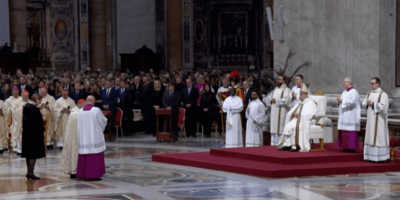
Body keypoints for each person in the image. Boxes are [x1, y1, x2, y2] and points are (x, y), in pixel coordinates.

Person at [277, 84, 317, 152]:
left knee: (294, 127)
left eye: (301, 95)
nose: (300, 96)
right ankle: (287, 144)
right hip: (296, 119)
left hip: (304, 120)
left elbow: (309, 113)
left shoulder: (310, 103)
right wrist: (292, 114)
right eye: (300, 94)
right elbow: (292, 111)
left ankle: (295, 146)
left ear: (306, 95)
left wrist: (299, 115)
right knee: (288, 126)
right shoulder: (300, 102)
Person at [77, 96, 107, 180]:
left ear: (86, 101)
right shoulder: (96, 110)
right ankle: (93, 175)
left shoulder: (80, 111)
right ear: (93, 102)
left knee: (84, 154)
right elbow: (103, 122)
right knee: (94, 154)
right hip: (94, 137)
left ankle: (83, 174)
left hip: (83, 138)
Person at [362, 77, 389, 162]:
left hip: (379, 120)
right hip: (370, 119)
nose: (371, 85)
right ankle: (370, 157)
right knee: (370, 135)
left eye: (373, 83)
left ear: (377, 84)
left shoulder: (383, 94)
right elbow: (363, 102)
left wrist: (373, 104)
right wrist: (367, 103)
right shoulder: (369, 93)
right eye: (370, 83)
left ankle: (380, 157)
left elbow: (384, 107)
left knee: (378, 137)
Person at [60, 99, 86, 178]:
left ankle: (73, 170)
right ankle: (74, 170)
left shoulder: (74, 112)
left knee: (73, 153)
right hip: (76, 137)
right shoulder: (77, 113)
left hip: (72, 137)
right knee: (75, 153)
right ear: (81, 105)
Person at [22, 94, 45, 180]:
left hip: (27, 134)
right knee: (33, 154)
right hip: (34, 134)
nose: (39, 102)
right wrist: (42, 119)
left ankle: (29, 172)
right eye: (39, 100)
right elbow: (38, 121)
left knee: (28, 154)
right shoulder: (34, 109)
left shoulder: (27, 107)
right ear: (36, 99)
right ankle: (31, 173)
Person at [337, 77, 361, 152]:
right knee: (344, 130)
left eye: (345, 82)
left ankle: (351, 148)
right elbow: (343, 101)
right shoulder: (344, 91)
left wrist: (342, 100)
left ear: (349, 83)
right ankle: (345, 147)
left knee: (350, 131)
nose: (343, 83)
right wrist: (339, 101)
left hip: (351, 114)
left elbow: (352, 102)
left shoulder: (354, 92)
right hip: (344, 114)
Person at [267, 76, 291, 145]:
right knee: (274, 128)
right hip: (274, 111)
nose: (278, 81)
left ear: (284, 81)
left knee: (280, 128)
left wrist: (276, 100)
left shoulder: (286, 90)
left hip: (281, 111)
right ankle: (273, 144)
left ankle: (280, 144)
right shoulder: (275, 89)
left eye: (280, 80)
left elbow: (286, 100)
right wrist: (271, 99)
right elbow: (270, 96)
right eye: (278, 79)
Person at [11, 90, 33, 154]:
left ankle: (27, 149)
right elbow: (14, 112)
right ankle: (19, 149)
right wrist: (21, 107)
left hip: (28, 122)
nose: (26, 97)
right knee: (19, 133)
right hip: (19, 122)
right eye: (25, 96)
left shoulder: (30, 102)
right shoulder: (17, 102)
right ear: (22, 95)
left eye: (27, 96)